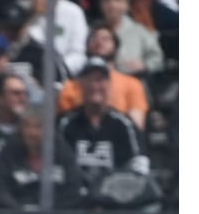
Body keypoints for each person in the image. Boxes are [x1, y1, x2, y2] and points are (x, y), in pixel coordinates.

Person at [57, 57, 148, 186]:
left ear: (109, 84)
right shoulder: (65, 123)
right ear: (80, 84)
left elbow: (138, 166)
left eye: (100, 80)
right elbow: (55, 164)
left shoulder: (124, 125)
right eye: (90, 80)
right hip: (74, 194)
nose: (95, 86)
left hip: (114, 194)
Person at [57, 24, 148, 128]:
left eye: (106, 39)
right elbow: (64, 124)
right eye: (94, 38)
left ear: (115, 47)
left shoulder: (132, 84)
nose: (99, 42)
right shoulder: (71, 86)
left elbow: (136, 125)